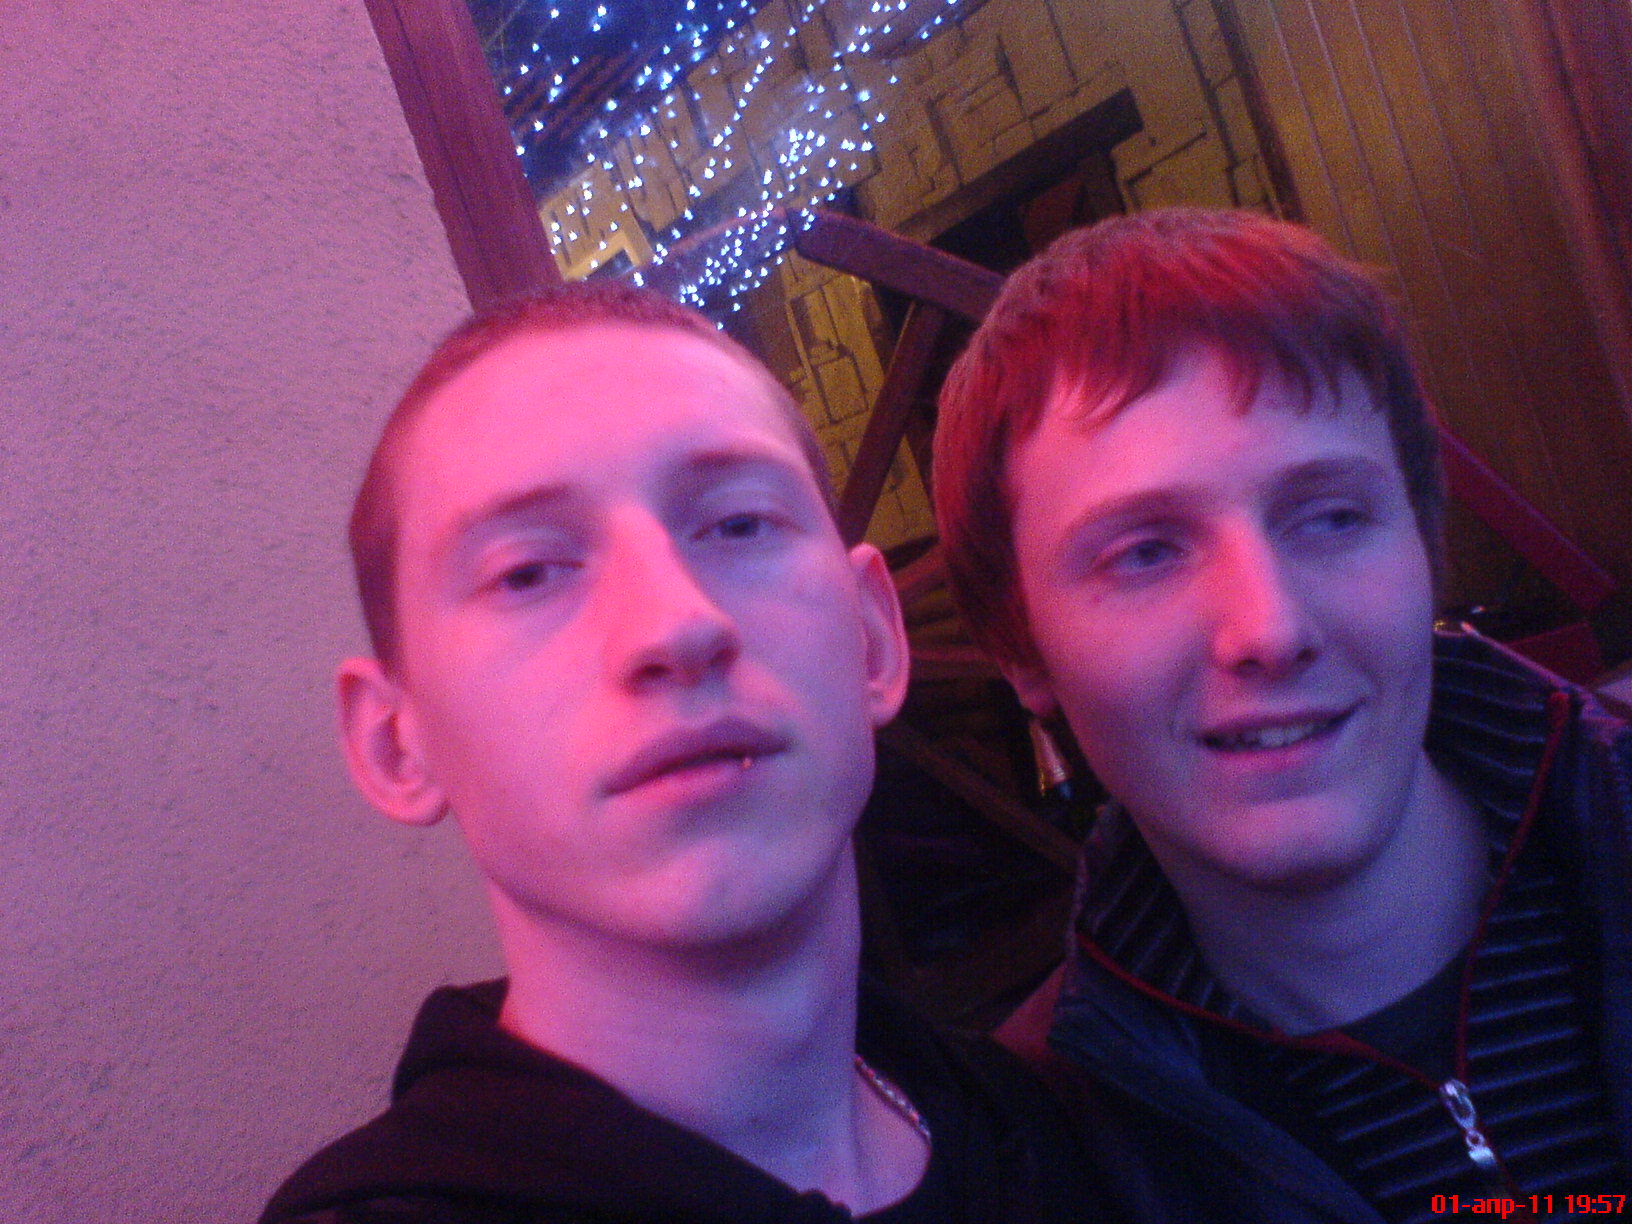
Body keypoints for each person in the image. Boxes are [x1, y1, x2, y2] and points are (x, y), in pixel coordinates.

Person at [259, 281, 1108, 1224]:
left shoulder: (1083, 1150)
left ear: (874, 638)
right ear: (396, 746)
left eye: (739, 524)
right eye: (528, 573)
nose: (677, 624)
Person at [933, 208, 1632, 1223]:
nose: (1270, 627)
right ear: (1022, 652)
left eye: (1332, 515)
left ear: (1425, 544)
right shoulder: (1052, 1170)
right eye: (1146, 553)